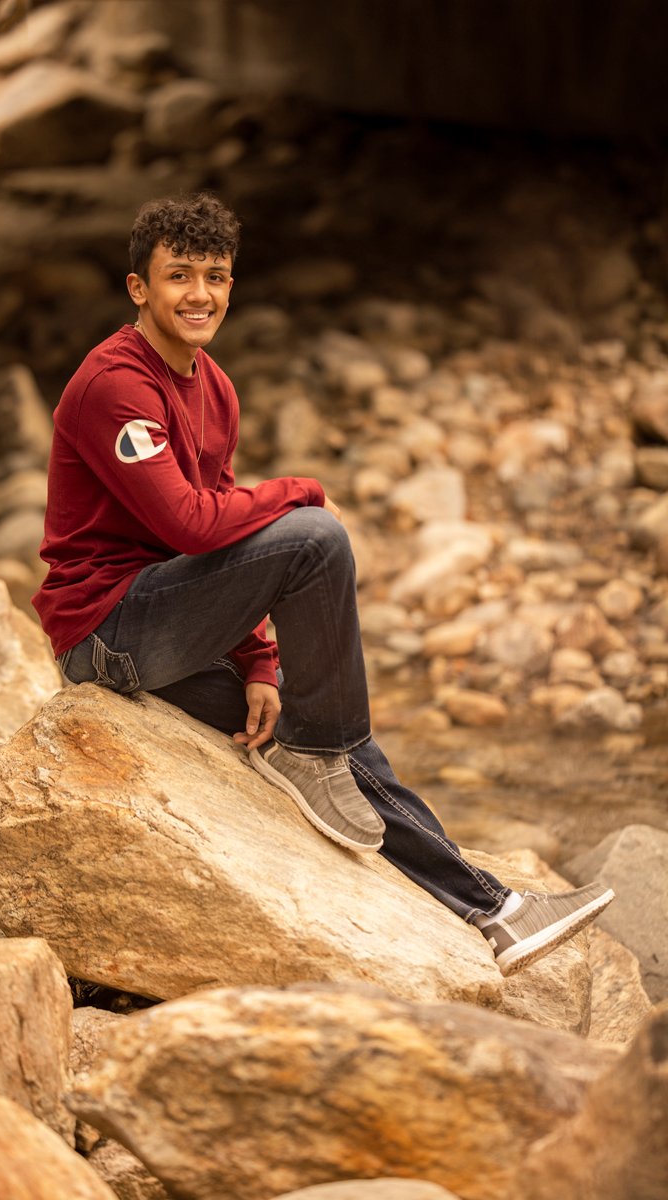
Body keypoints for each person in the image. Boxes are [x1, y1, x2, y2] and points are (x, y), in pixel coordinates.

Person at [33, 192, 613, 977]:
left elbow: (221, 552)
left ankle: (494, 911)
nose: (199, 294)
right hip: (108, 631)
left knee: (327, 736)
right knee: (314, 539)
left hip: (171, 616)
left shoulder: (216, 387)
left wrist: (263, 666)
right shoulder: (117, 385)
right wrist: (300, 488)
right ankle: (328, 760)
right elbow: (194, 527)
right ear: (139, 288)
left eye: (216, 276)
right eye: (179, 276)